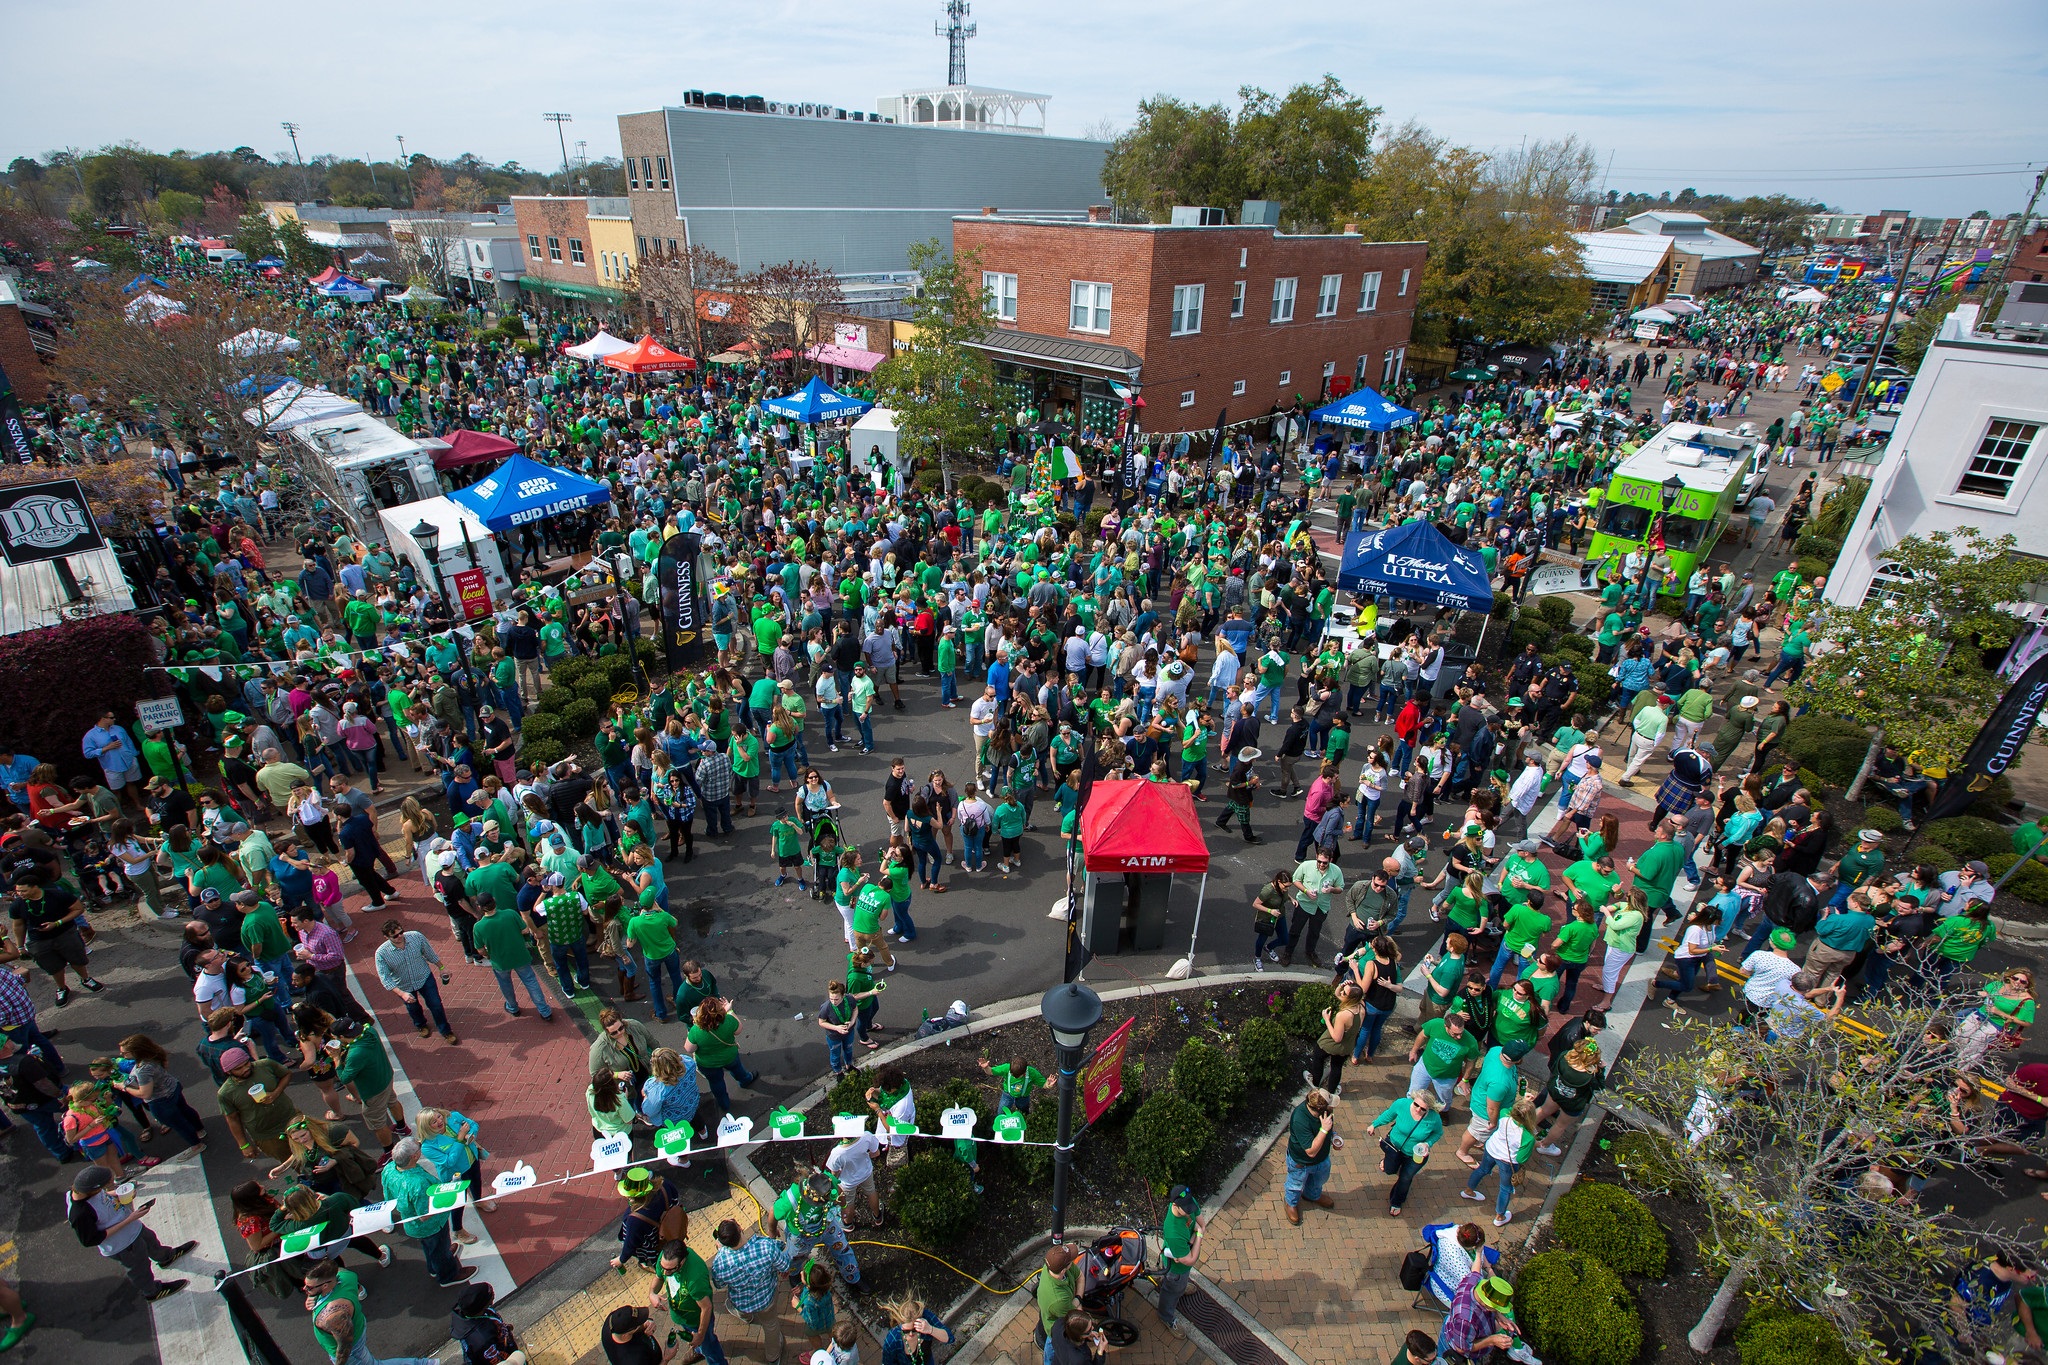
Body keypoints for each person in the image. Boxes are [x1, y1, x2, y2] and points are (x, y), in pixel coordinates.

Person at [65, 1165, 196, 1303]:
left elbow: (102, 1196)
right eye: (103, 1187)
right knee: (140, 1268)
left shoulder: (82, 1190)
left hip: (133, 1229)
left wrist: (116, 1194)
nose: (105, 1189)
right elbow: (91, 1239)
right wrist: (130, 1219)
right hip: (123, 1246)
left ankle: (165, 1257)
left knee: (151, 1241)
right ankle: (152, 1291)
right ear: (94, 1188)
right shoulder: (80, 1214)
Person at [302, 1256, 435, 1365]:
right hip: (357, 1327)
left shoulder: (333, 1315)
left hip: (350, 1352)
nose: (305, 1289)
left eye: (309, 1288)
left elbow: (344, 1348)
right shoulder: (344, 1276)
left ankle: (424, 1364)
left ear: (325, 1286)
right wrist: (313, 1296)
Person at [382, 1136, 476, 1287]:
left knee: (430, 1248)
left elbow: (389, 1196)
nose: (421, 1146)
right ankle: (448, 1275)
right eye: (418, 1147)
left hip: (412, 1225)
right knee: (439, 1248)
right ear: (414, 1157)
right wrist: (449, 1195)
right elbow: (426, 1215)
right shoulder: (418, 1184)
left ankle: (434, 1267)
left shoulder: (389, 1169)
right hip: (432, 1226)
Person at [710, 1218, 790, 1365]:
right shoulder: (766, 1246)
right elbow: (784, 1265)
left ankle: (746, 1317)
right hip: (767, 1299)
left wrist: (720, 1251)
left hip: (740, 1302)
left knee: (739, 1307)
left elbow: (719, 1284)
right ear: (740, 1228)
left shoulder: (719, 1263)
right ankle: (773, 1357)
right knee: (771, 1325)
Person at [373, 920, 458, 1043]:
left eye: (401, 932)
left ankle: (446, 1031)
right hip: (404, 985)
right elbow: (385, 978)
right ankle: (421, 1025)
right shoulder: (381, 953)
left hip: (424, 977)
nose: (400, 936)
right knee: (413, 1008)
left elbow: (429, 954)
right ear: (386, 937)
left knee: (436, 1005)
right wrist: (402, 993)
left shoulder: (416, 937)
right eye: (395, 936)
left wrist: (442, 968)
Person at [1368, 1089, 1445, 1216]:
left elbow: (1438, 1133)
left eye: (1423, 1109)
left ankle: (1396, 1202)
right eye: (1416, 1105)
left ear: (1429, 1109)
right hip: (1394, 1147)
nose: (1418, 1110)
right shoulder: (1402, 1104)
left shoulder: (1434, 1118)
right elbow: (1388, 1115)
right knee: (1389, 1170)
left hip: (1415, 1154)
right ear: (1413, 1100)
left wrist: (1427, 1143)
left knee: (1405, 1178)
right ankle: (1388, 1162)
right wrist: (1374, 1125)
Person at [653, 1235, 725, 1365]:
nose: (664, 1273)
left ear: (682, 1262)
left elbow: (706, 1307)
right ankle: (698, 1349)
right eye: (662, 1267)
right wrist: (652, 1293)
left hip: (697, 1321)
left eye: (669, 1270)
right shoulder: (666, 1258)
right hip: (684, 1318)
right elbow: (658, 1277)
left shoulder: (695, 1278)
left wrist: (700, 1335)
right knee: (698, 1342)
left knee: (710, 1348)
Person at [1280, 1087, 1340, 1226]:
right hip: (1302, 1163)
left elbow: (1330, 1129)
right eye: (1329, 1104)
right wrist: (1324, 1129)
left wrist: (1334, 1137)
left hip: (1322, 1159)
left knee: (1318, 1181)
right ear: (1318, 1109)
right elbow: (1311, 1151)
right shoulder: (1300, 1119)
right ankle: (1291, 1203)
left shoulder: (1327, 1112)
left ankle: (1311, 1195)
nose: (1332, 1108)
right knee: (1295, 1184)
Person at [1155, 1185, 1205, 1337]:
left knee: (1180, 1285)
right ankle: (1166, 1316)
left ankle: (1181, 1289)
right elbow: (1190, 1260)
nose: (1190, 1211)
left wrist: (1193, 1238)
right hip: (1176, 1270)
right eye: (1187, 1210)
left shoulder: (1187, 1201)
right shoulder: (1173, 1232)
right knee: (1171, 1291)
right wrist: (1199, 1235)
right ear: (1175, 1205)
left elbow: (1202, 1224)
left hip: (1183, 1254)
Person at [449, 1282, 523, 1365]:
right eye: (491, 1296)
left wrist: (505, 1329)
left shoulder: (470, 1312)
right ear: (483, 1305)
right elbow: (497, 1360)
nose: (493, 1296)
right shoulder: (482, 1341)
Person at [878, 1298, 951, 1365]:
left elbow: (949, 1338)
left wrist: (930, 1329)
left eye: (915, 1329)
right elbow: (887, 1362)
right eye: (906, 1331)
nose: (910, 1334)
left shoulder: (926, 1318)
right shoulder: (893, 1339)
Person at [602, 1305, 677, 1365]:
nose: (642, 1323)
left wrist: (647, 1323)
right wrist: (666, 1358)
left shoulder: (611, 1321)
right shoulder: (633, 1360)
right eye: (638, 1324)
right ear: (624, 1335)